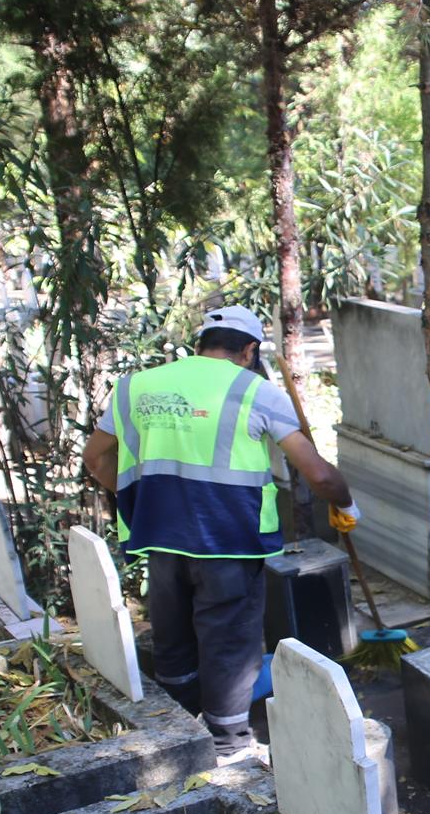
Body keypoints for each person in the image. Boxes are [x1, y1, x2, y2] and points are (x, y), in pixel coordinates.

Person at [83, 305, 360, 761]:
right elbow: (318, 475)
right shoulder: (256, 391)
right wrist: (346, 504)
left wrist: (141, 498)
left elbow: (96, 459)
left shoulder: (135, 386)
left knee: (173, 635)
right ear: (249, 350)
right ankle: (229, 744)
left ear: (200, 347)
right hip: (229, 541)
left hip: (160, 537)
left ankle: (179, 726)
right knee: (229, 642)